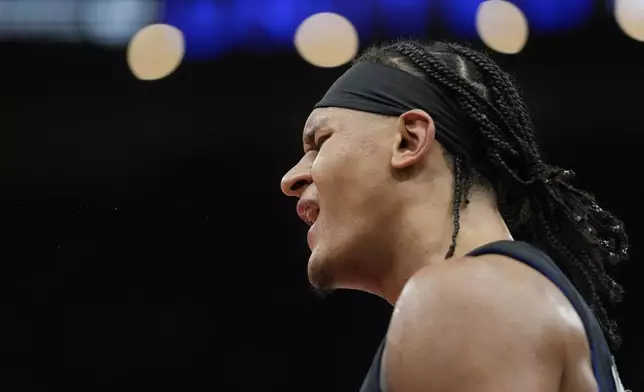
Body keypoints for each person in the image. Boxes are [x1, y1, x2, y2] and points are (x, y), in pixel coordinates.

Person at [280, 40, 629, 392]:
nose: (290, 179)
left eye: (320, 142)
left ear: (409, 141)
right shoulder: (509, 295)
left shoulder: (463, 299)